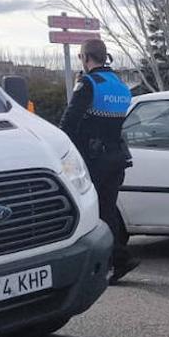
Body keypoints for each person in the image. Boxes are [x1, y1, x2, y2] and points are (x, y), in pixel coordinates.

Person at [59, 38, 139, 284]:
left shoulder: (89, 83)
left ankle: (96, 263)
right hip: (116, 156)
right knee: (108, 210)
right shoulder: (120, 85)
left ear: (85, 58)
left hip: (94, 158)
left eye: (81, 57)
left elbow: (69, 123)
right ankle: (119, 260)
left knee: (92, 211)